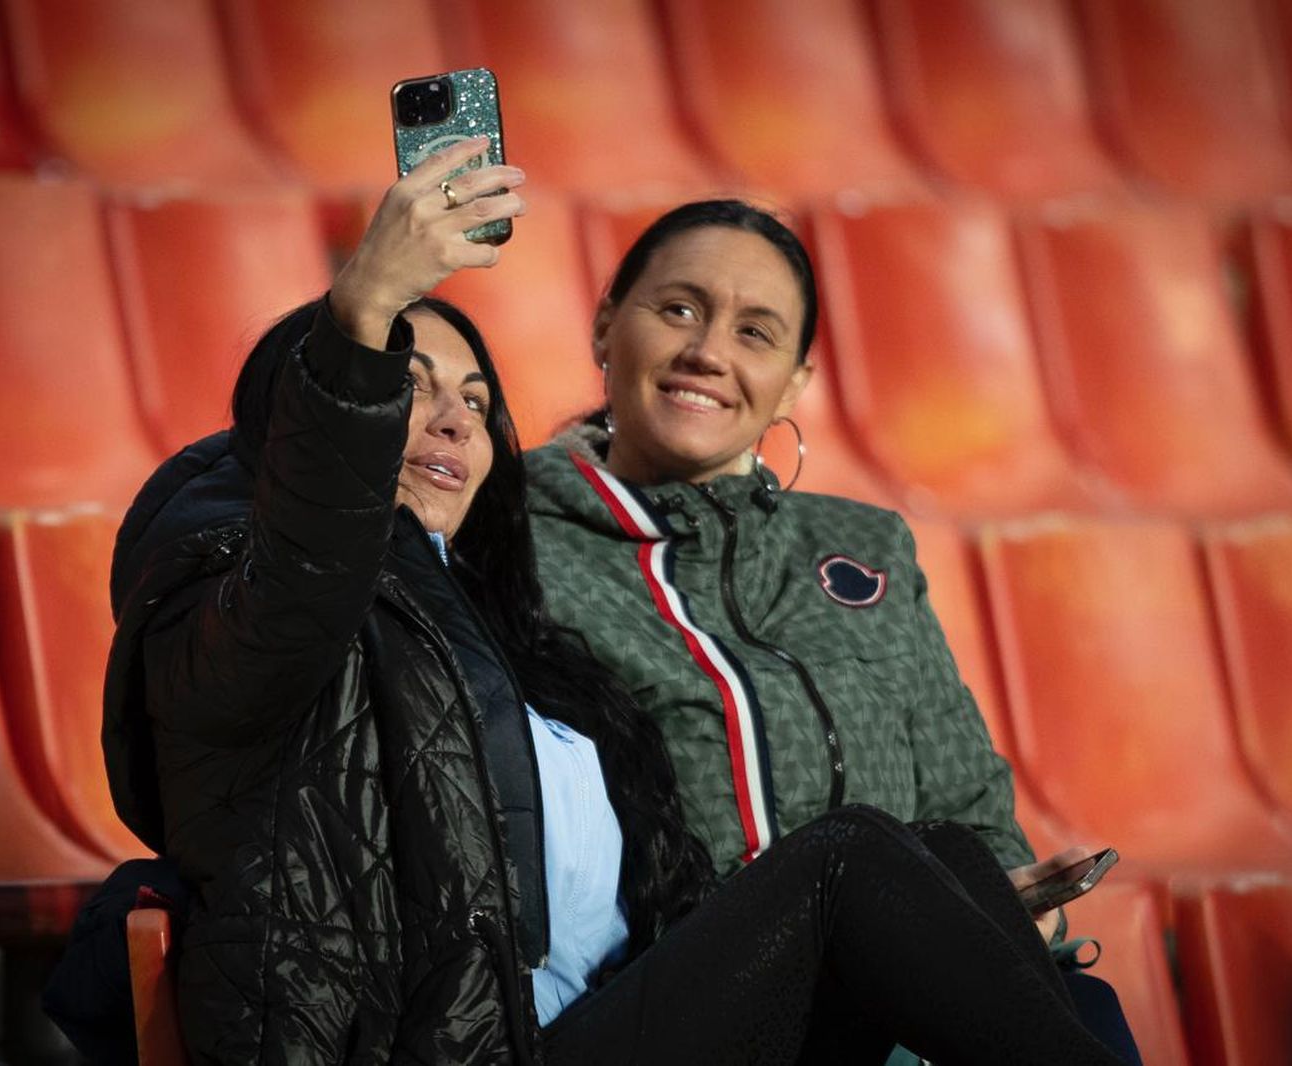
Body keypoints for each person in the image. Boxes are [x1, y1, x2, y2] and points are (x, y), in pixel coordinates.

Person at [95, 143, 1125, 1063]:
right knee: (854, 860)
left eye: (476, 401)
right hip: (462, 1041)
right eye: (404, 383)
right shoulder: (293, 590)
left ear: (799, 379)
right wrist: (365, 310)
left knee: (966, 890)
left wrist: (968, 914)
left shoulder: (497, 620)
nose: (451, 419)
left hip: (603, 1018)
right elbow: (303, 568)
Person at [524, 200, 1141, 1057]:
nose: (708, 351)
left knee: (1057, 973)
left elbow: (971, 808)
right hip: (663, 1004)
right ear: (604, 326)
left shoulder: (864, 546)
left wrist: (1005, 906)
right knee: (853, 857)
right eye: (679, 309)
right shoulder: (507, 538)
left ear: (796, 382)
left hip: (857, 1014)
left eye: (756, 332)